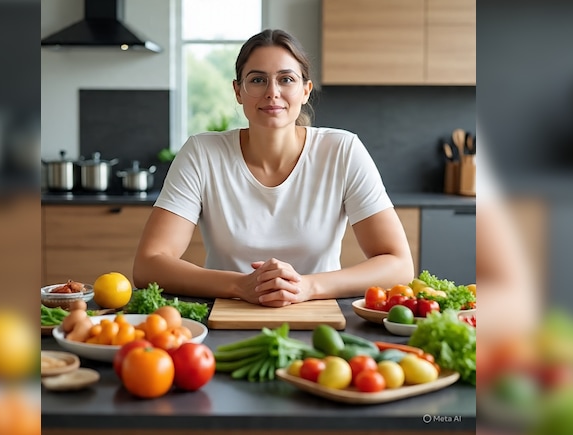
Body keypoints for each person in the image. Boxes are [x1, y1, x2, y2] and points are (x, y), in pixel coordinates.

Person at [133, 29, 413, 307]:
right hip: (227, 313)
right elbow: (148, 264)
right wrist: (239, 286)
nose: (272, 93)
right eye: (257, 80)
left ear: (305, 90)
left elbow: (399, 265)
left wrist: (309, 286)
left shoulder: (342, 150)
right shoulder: (202, 153)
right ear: (238, 91)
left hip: (318, 315)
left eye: (286, 79)